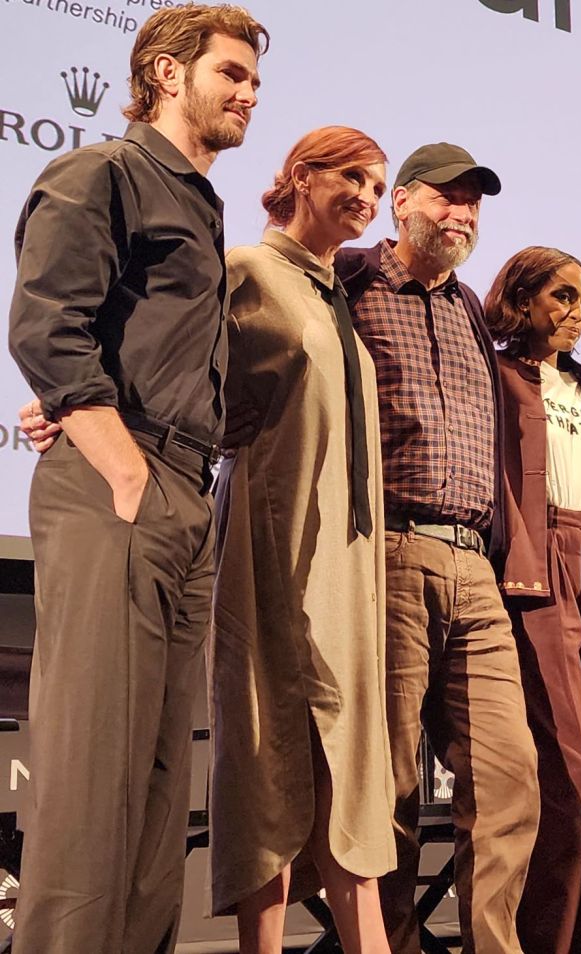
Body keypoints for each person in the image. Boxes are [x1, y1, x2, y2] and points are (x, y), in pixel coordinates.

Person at [6, 6, 268, 952]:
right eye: (232, 74)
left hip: (185, 496)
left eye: (253, 82)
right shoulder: (103, 172)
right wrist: (118, 460)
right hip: (125, 485)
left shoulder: (200, 201)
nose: (248, 95)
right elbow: (46, 325)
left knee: (161, 800)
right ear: (165, 73)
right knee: (91, 792)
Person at [334, 143, 540, 954]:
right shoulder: (348, 282)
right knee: (390, 781)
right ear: (402, 205)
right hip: (388, 550)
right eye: (448, 198)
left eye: (474, 204)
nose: (462, 214)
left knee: (508, 774)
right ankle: (392, 944)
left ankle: (495, 945)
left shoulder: (472, 313)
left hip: (474, 565)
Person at [209, 127, 394, 954]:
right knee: (269, 745)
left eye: (378, 185)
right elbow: (176, 372)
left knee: (351, 765)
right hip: (274, 539)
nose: (367, 194)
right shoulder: (247, 271)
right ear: (300, 176)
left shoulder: (334, 297)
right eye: (352, 175)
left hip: (349, 563)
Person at [482, 247, 581, 954]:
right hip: (536, 569)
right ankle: (547, 941)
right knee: (566, 769)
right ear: (524, 298)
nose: (576, 313)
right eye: (563, 297)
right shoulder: (501, 377)